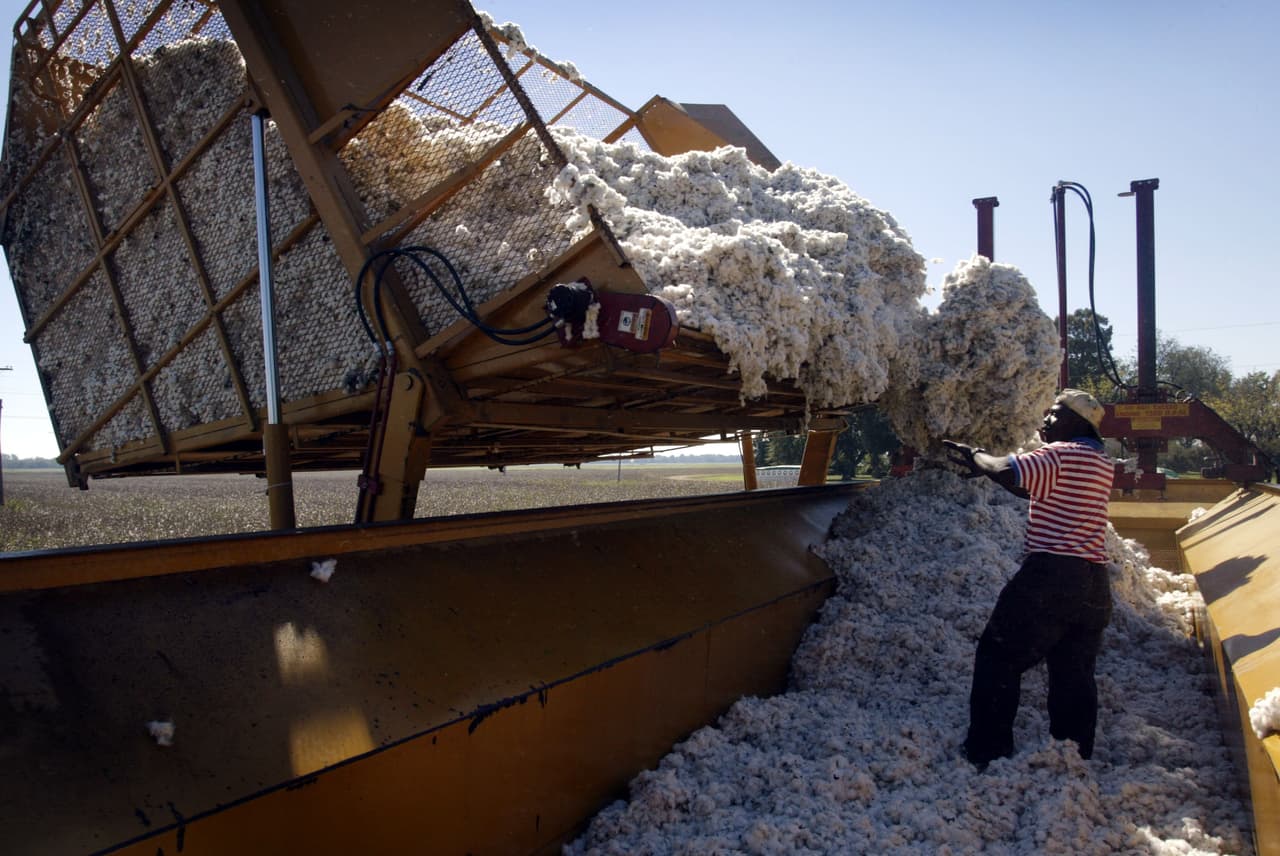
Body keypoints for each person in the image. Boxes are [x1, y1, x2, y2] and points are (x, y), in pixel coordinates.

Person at [943, 388, 1114, 768]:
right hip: (1093, 583)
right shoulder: (1100, 461)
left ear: (1076, 422)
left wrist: (976, 456)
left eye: (1054, 414)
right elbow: (1036, 490)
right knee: (1073, 670)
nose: (1045, 421)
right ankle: (1073, 754)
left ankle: (987, 751)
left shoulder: (1062, 454)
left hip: (1052, 576)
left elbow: (1008, 469)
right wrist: (987, 473)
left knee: (998, 655)